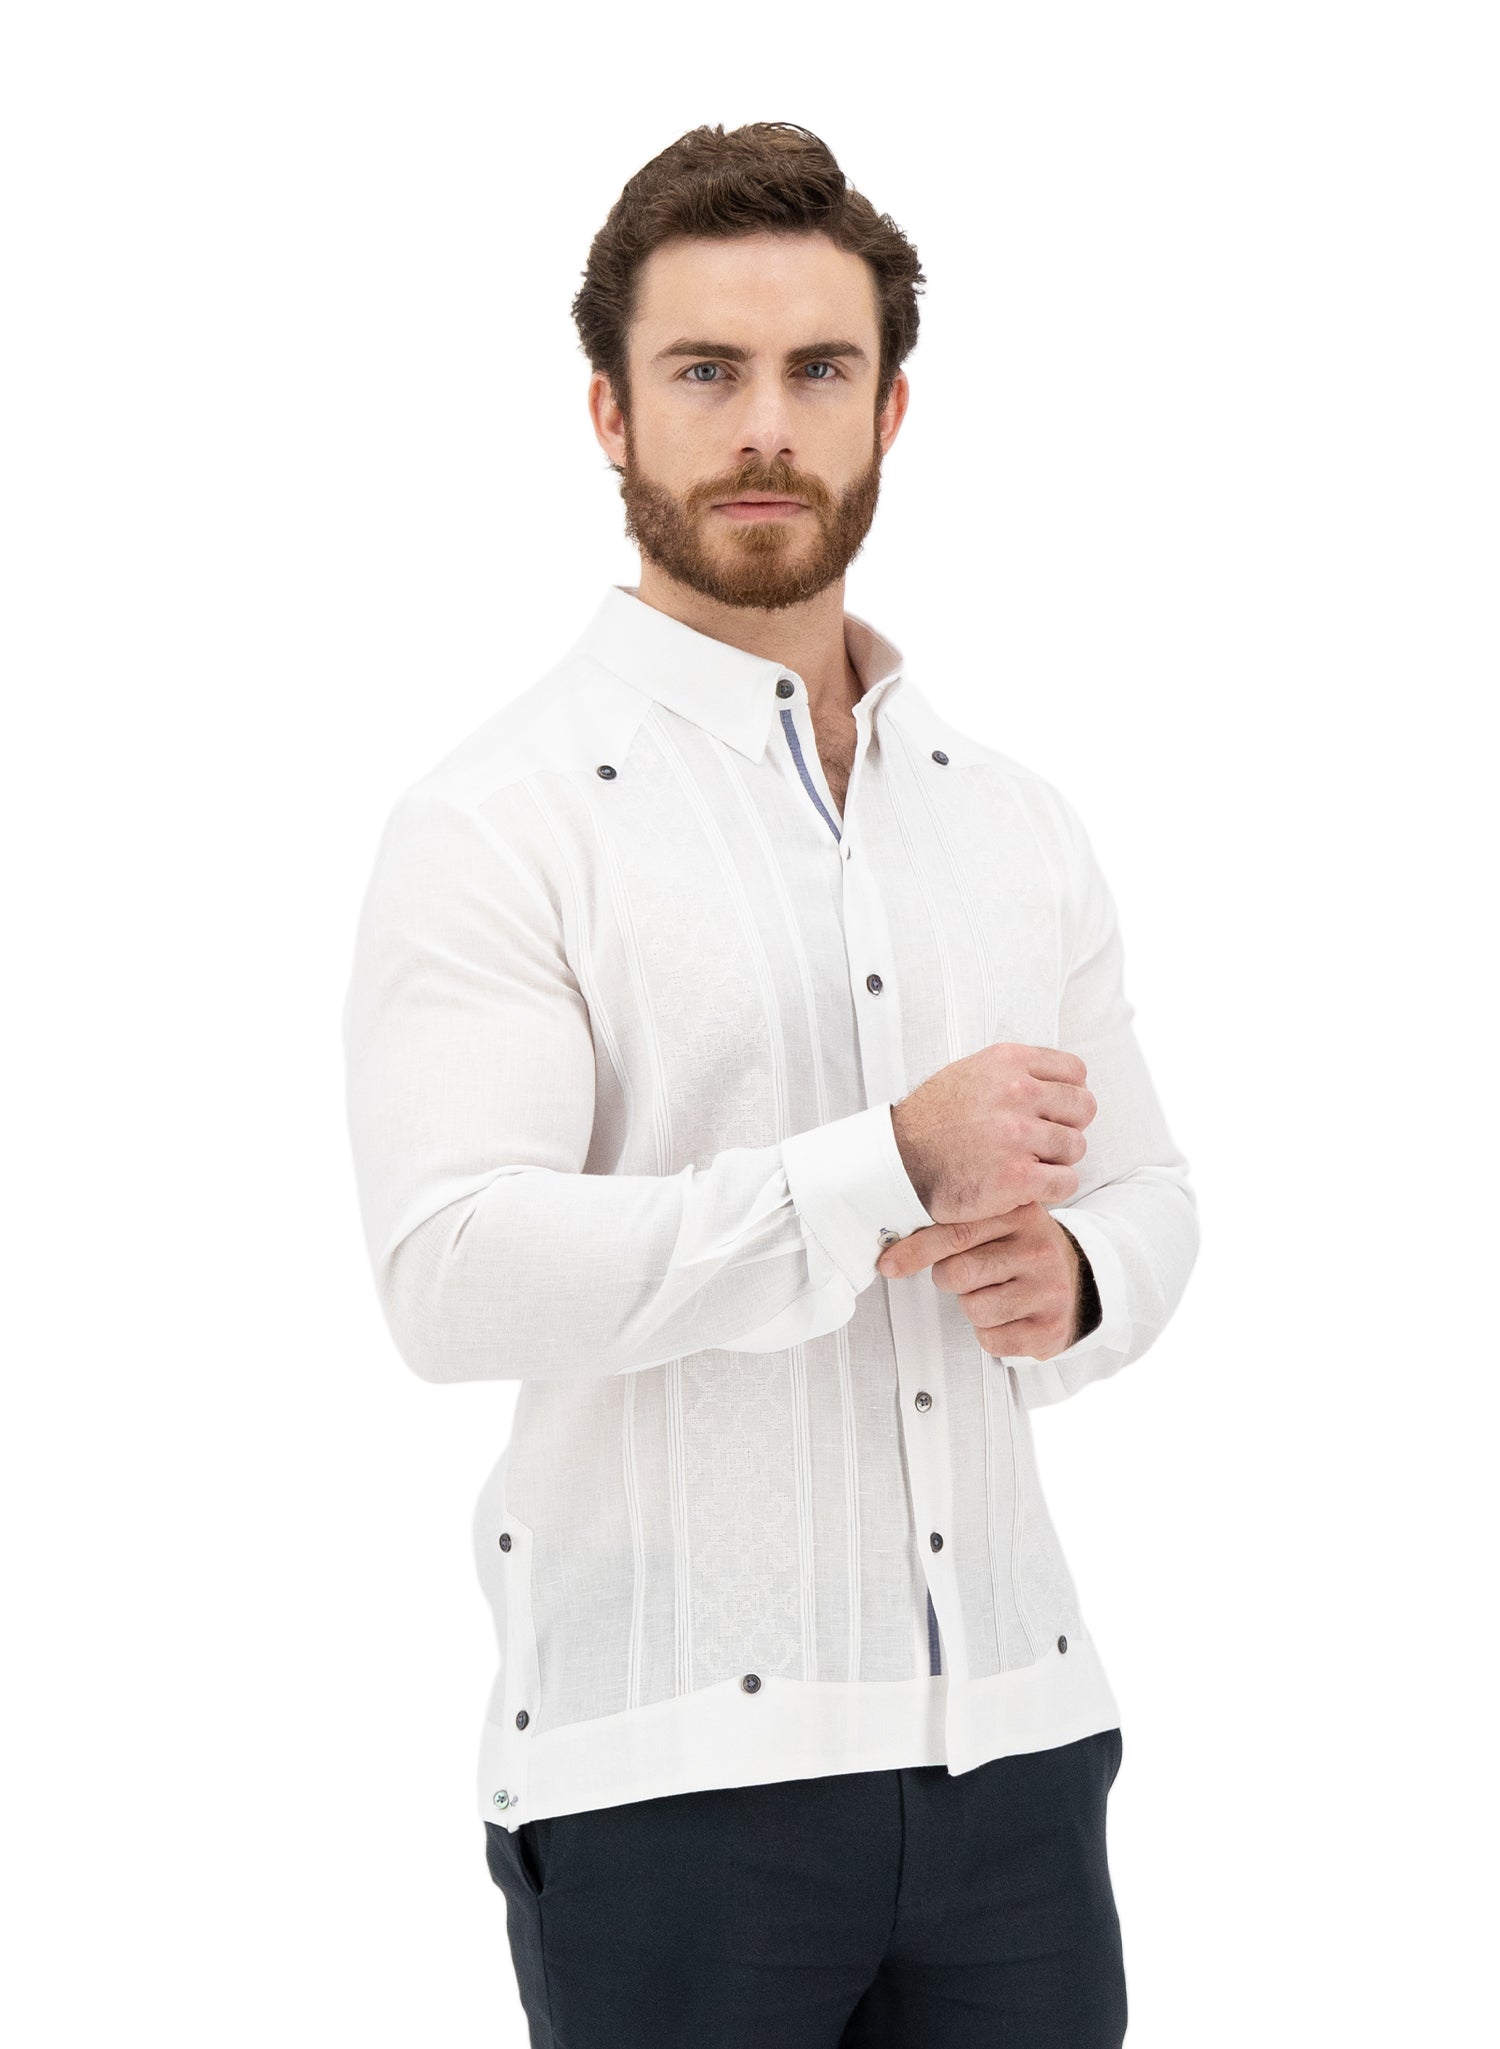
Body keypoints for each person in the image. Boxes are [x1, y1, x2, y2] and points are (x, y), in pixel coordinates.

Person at [342, 119, 1199, 2049]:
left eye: (817, 370)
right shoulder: (498, 820)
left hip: (1024, 1747)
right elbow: (450, 1271)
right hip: (665, 1787)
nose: (763, 429)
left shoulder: (1014, 820)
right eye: (705, 371)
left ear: (890, 408)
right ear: (610, 411)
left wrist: (1079, 1280)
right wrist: (883, 1165)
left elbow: (1151, 1195)